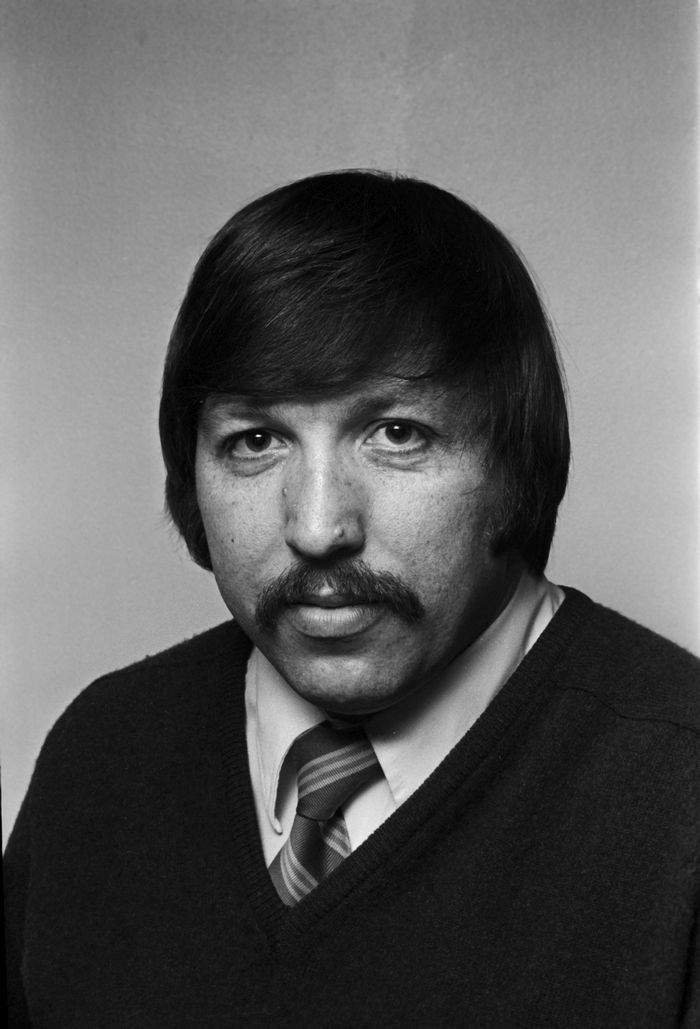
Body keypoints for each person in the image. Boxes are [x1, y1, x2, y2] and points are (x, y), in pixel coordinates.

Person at [4, 170, 699, 1028]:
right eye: (256, 440)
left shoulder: (679, 795)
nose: (318, 525)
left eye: (397, 433)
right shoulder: (101, 756)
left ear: (516, 461)